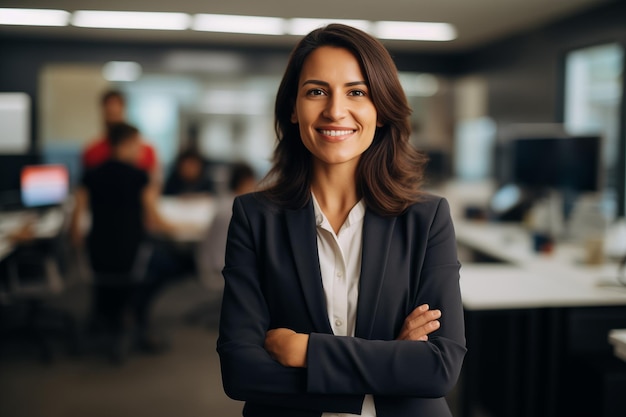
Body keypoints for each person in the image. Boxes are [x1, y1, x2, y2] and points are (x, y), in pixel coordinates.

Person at [217, 24, 466, 416]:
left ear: (380, 111)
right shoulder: (254, 217)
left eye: (357, 92)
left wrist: (306, 351)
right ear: (293, 111)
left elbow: (438, 369)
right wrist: (392, 360)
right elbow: (241, 372)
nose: (335, 110)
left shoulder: (427, 217)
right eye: (316, 91)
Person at [70, 122, 176, 360]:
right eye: (137, 145)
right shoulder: (140, 176)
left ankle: (113, 314)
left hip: (96, 260)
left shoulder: (91, 174)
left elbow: (75, 228)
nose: (140, 151)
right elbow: (155, 219)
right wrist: (180, 228)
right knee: (171, 265)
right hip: (132, 259)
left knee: (116, 279)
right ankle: (136, 314)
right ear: (126, 144)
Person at [81, 90, 159, 178]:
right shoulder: (92, 151)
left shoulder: (146, 151)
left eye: (117, 114)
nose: (114, 120)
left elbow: (154, 183)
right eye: (110, 114)